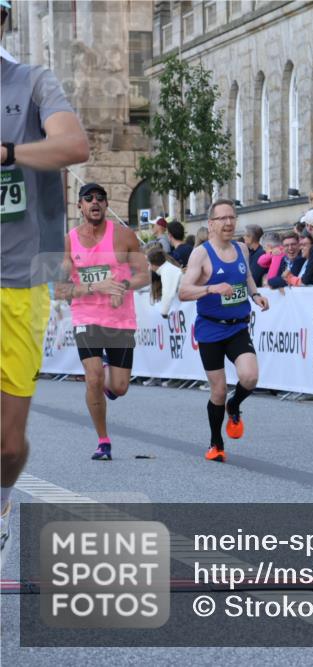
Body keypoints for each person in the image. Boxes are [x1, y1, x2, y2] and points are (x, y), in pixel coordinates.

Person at [1, 0, 90, 563]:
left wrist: (10, 152)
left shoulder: (31, 82)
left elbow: (74, 146)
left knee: (7, 445)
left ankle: (2, 501)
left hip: (17, 279)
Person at [54, 183, 150, 460]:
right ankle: (103, 440)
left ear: (106, 205)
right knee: (93, 377)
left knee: (119, 387)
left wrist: (122, 284)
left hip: (120, 320)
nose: (95, 202)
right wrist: (95, 288)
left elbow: (143, 275)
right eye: (88, 198)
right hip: (86, 317)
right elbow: (60, 290)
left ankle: (109, 379)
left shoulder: (124, 236)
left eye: (100, 198)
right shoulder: (69, 241)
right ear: (80, 207)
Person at [178, 199, 269, 462]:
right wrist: (210, 288)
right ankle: (215, 443)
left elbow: (247, 277)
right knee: (217, 390)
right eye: (223, 219)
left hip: (237, 326)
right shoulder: (201, 254)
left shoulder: (242, 249)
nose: (229, 223)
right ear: (211, 224)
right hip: (210, 330)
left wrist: (255, 294)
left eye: (232, 217)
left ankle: (235, 404)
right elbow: (184, 292)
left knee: (250, 377)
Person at [147, 247, 183, 317]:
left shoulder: (166, 271)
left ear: (153, 264)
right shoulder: (167, 268)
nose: (149, 268)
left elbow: (168, 294)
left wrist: (164, 312)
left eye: (149, 264)